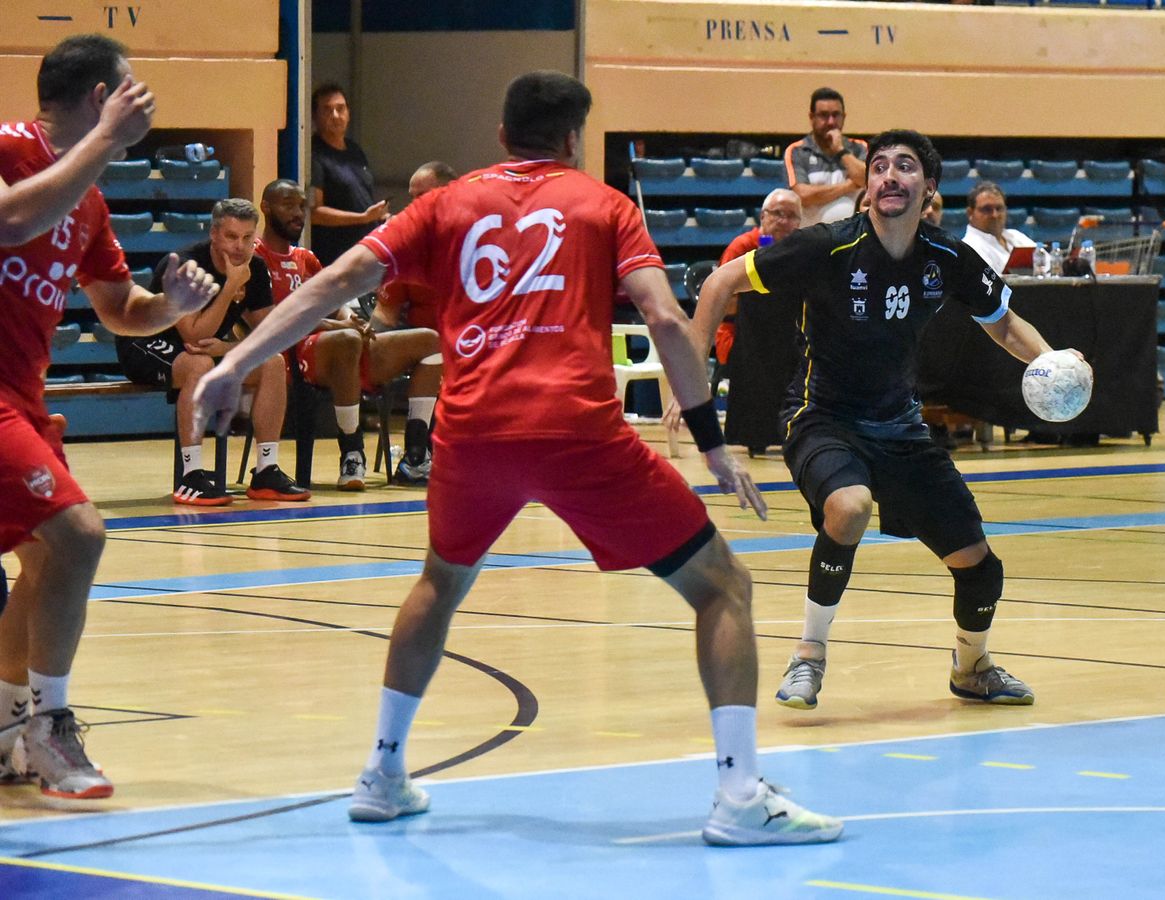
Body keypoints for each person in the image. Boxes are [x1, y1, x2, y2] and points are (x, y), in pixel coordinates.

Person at [191, 71, 841, 845]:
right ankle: (738, 794)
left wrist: (234, 365)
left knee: (439, 584)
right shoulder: (606, 204)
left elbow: (330, 284)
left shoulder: (445, 204)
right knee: (723, 586)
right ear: (572, 138)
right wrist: (709, 440)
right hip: (579, 435)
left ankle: (383, 773)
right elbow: (666, 319)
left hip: (471, 436)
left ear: (502, 135)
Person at [692, 128, 1060, 711]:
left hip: (901, 428)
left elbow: (1004, 322)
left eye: (905, 166)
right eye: (880, 165)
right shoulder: (827, 246)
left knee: (981, 569)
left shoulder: (946, 257)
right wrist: (690, 376)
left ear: (929, 187)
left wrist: (1053, 362)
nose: (889, 175)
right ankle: (808, 654)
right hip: (822, 416)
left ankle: (972, 668)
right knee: (849, 506)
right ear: (868, 186)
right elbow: (720, 281)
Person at [0, 34, 219, 798]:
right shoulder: (7, 150)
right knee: (80, 536)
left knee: (43, 561)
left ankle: (5, 728)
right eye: (133, 91)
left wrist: (173, 306)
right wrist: (103, 142)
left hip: (24, 399)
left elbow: (122, 308)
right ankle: (50, 728)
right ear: (102, 97)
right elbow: (10, 223)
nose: (145, 106)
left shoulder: (88, 200)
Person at [117, 199, 309, 504]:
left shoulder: (255, 268)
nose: (239, 247)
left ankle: (266, 471)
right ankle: (191, 476)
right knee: (200, 364)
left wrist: (230, 347)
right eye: (231, 237)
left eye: (247, 237)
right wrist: (231, 286)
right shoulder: (186, 266)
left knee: (272, 363)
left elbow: (272, 335)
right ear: (214, 234)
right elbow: (194, 335)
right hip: (144, 343)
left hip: (202, 349)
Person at [256, 179, 442, 489]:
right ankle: (352, 452)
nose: (297, 213)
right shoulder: (255, 256)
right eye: (288, 205)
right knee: (346, 339)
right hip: (290, 354)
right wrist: (339, 327)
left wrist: (351, 319)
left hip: (338, 348)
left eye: (301, 206)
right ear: (265, 207)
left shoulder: (306, 258)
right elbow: (269, 320)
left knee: (430, 341)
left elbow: (334, 304)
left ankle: (415, 456)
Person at [711, 188, 802, 379]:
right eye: (778, 213)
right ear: (762, 216)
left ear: (799, 223)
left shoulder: (798, 251)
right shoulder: (743, 246)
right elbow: (723, 303)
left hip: (782, 335)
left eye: (791, 216)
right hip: (739, 334)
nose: (784, 221)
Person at [371, 162, 456, 334]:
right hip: (423, 341)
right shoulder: (404, 246)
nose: (415, 205)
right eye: (413, 197)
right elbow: (386, 314)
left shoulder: (481, 238)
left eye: (423, 196)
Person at [309, 83, 387, 266]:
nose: (336, 116)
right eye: (327, 110)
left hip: (364, 253)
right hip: (335, 258)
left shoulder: (354, 150)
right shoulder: (314, 155)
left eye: (340, 108)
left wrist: (379, 216)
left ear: (348, 113)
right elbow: (314, 213)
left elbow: (362, 198)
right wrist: (362, 218)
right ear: (314, 116)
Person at [784, 87, 867, 227]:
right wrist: (850, 185)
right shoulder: (797, 151)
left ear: (844, 117)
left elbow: (866, 179)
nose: (831, 122)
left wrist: (841, 151)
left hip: (852, 236)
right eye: (824, 115)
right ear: (812, 117)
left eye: (836, 115)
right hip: (810, 234)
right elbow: (803, 196)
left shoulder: (859, 148)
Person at [959, 181, 1035, 274]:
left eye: (999, 208)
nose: (995, 215)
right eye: (987, 209)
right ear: (970, 213)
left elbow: (1046, 262)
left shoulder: (1016, 236)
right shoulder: (970, 248)